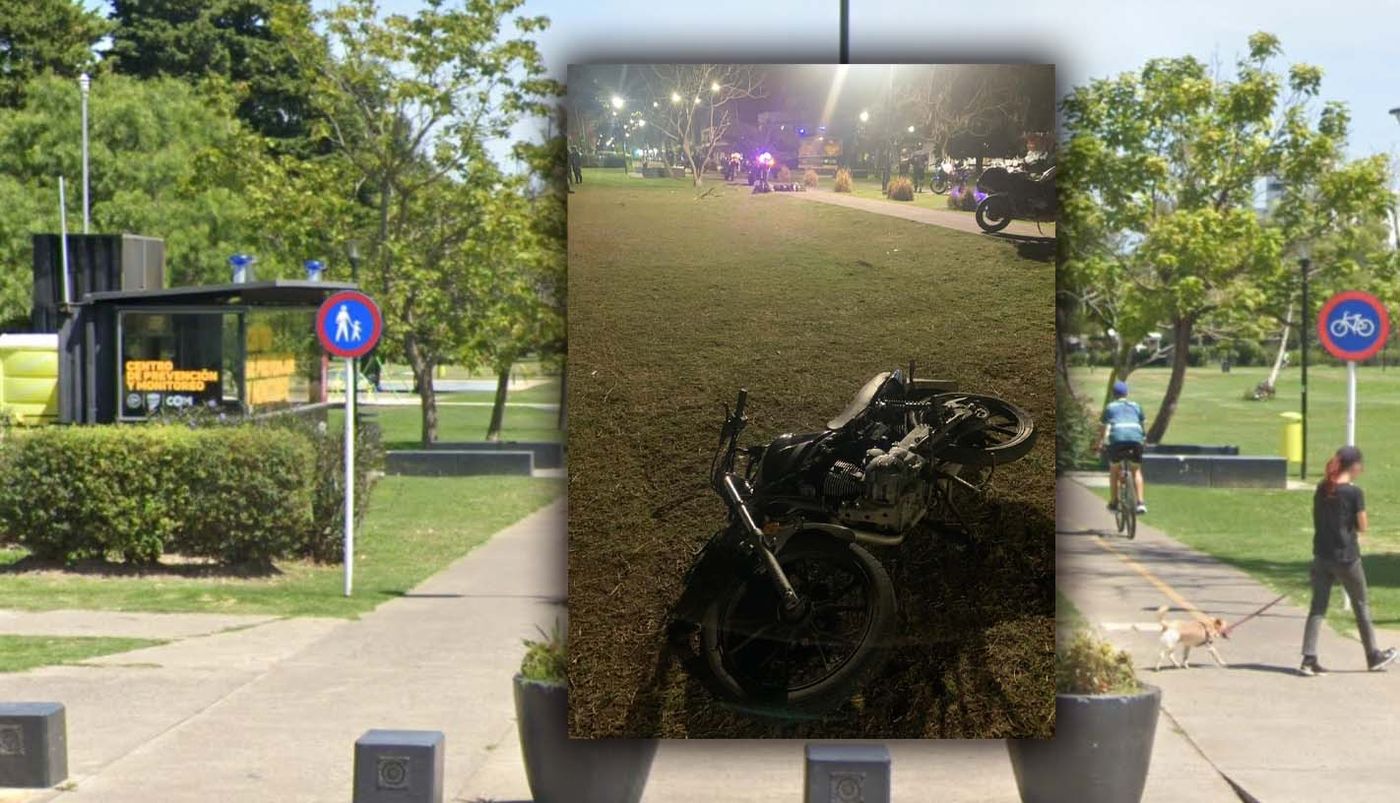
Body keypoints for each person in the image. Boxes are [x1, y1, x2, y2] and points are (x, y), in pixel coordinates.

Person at [1300, 446, 1398, 675]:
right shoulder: (1354, 493)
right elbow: (1363, 526)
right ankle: (1373, 655)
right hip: (1346, 558)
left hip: (1322, 556)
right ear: (1353, 466)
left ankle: (1309, 657)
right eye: (1360, 466)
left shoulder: (1323, 488)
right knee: (1361, 605)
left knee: (1317, 607)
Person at [1098, 380, 1147, 514]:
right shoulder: (1136, 406)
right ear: (1127, 393)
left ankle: (1114, 502)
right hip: (1135, 439)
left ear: (1114, 394)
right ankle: (1140, 503)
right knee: (1136, 470)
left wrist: (1101, 442)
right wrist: (1144, 439)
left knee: (1114, 469)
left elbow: (1102, 427)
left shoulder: (1110, 407)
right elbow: (1142, 426)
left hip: (1117, 439)